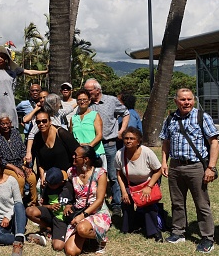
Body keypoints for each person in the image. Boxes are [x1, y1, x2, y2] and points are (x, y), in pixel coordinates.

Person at [159, 88, 219, 253]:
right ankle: (178, 232)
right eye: (183, 99)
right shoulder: (170, 118)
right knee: (177, 202)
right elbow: (165, 141)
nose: (186, 102)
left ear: (193, 100)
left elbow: (214, 143)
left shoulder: (202, 117)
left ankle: (207, 238)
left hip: (196, 167)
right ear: (176, 101)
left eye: (189, 99)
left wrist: (211, 168)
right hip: (176, 166)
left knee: (201, 204)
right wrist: (164, 162)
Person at [84, 78, 129, 217]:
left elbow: (126, 113)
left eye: (89, 90)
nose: (87, 93)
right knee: (92, 175)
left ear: (97, 90)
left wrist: (121, 131)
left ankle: (116, 205)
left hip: (109, 144)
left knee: (113, 175)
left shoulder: (111, 100)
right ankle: (95, 203)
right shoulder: (86, 103)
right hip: (93, 146)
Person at [115, 127, 163, 242]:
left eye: (132, 138)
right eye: (126, 138)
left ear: (138, 141)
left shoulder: (147, 152)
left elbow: (158, 170)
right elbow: (119, 175)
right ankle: (129, 227)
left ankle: (154, 231)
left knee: (147, 203)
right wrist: (123, 191)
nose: (128, 141)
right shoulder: (119, 154)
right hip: (130, 183)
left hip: (147, 182)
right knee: (126, 201)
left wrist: (149, 187)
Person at [64, 145, 111, 256]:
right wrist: (68, 205)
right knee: (71, 252)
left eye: (76, 155)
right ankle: (87, 236)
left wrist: (84, 215)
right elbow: (69, 192)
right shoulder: (71, 172)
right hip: (79, 211)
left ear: (86, 159)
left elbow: (99, 200)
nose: (73, 156)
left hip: (97, 212)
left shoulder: (100, 173)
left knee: (81, 228)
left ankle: (101, 239)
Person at [0, 45, 47, 125]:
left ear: (7, 59)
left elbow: (30, 72)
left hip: (10, 103)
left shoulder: (13, 71)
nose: (0, 59)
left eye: (2, 57)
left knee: (11, 124)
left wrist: (45, 71)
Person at [0, 114, 37, 205]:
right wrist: (15, 168)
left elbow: (23, 150)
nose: (5, 126)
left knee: (32, 178)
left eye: (7, 123)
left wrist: (25, 164)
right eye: (2, 124)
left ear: (10, 123)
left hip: (20, 164)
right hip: (6, 166)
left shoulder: (15, 132)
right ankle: (18, 204)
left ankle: (33, 202)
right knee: (20, 180)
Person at [25, 167, 74, 251]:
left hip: (61, 219)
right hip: (50, 214)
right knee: (29, 211)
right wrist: (50, 207)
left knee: (58, 247)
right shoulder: (48, 187)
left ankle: (57, 232)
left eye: (52, 185)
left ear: (61, 182)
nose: (49, 185)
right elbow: (43, 204)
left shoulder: (69, 187)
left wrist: (69, 206)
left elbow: (77, 202)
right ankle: (47, 227)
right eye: (48, 183)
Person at [31, 109, 79, 187]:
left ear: (50, 121)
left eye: (44, 121)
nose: (41, 124)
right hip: (50, 174)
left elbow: (77, 152)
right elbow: (39, 162)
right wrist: (42, 176)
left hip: (67, 172)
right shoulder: (37, 138)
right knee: (39, 187)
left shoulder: (61, 133)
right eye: (38, 122)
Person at [69, 88, 105, 164]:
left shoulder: (95, 115)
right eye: (80, 100)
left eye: (85, 99)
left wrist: (88, 147)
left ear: (89, 101)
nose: (82, 102)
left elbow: (99, 135)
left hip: (95, 152)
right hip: (80, 157)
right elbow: (71, 136)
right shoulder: (73, 118)